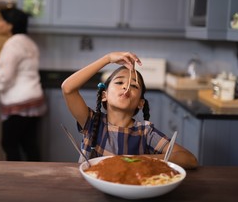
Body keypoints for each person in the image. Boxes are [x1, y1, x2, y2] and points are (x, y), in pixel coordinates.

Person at [61, 52, 198, 169]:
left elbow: (189, 159)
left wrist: (143, 159)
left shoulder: (146, 132)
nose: (126, 88)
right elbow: (68, 88)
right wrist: (107, 59)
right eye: (119, 82)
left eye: (134, 86)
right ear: (104, 95)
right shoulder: (92, 122)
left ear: (140, 103)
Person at [0, 8, 47, 161]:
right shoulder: (30, 42)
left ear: (10, 25)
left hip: (18, 101)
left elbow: (5, 77)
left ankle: (14, 180)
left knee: (8, 144)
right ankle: (37, 179)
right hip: (34, 98)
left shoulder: (12, 44)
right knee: (29, 144)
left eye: (1, 20)